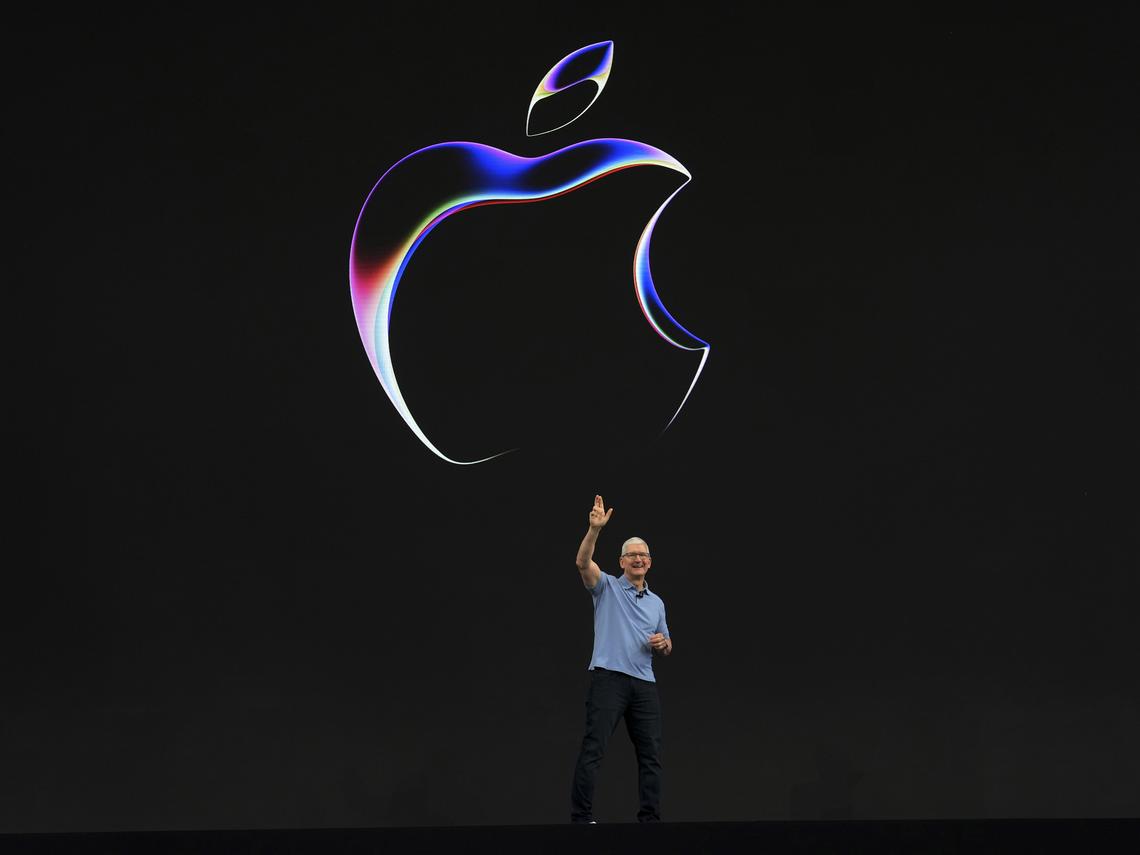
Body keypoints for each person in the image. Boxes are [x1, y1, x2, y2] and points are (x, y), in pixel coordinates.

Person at [570, 494, 672, 824]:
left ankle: (650, 821)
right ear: (622, 561)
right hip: (609, 680)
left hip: (644, 685)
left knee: (651, 757)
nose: (638, 559)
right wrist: (594, 530)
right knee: (593, 750)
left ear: (650, 562)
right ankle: (581, 818)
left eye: (643, 555)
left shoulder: (657, 603)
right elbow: (583, 563)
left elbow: (667, 644)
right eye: (632, 555)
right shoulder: (607, 588)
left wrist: (663, 644)